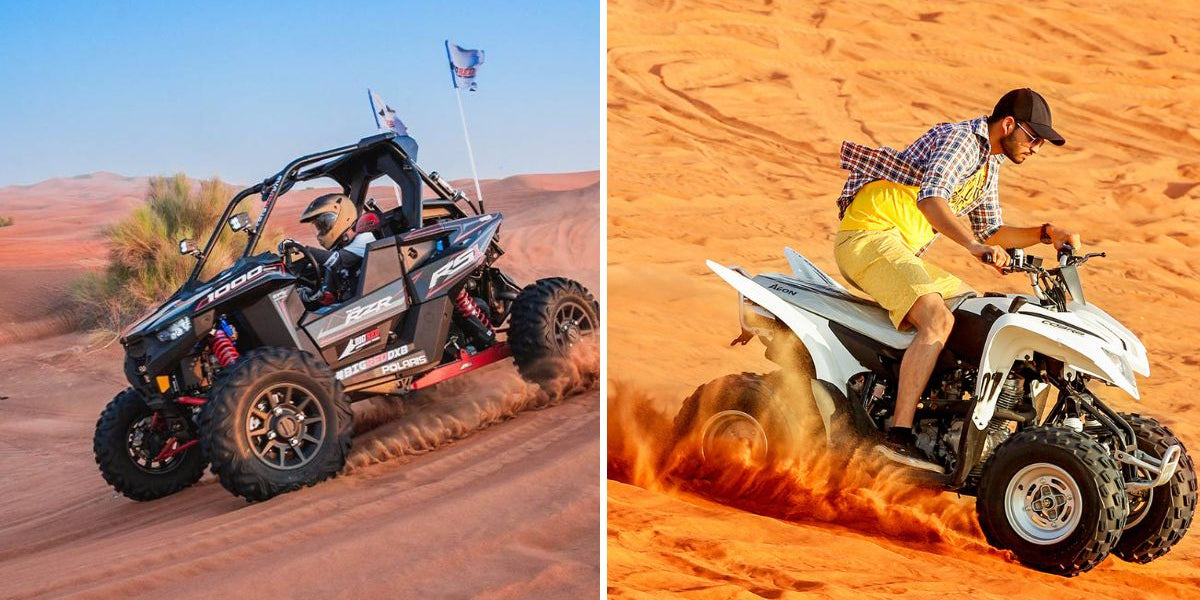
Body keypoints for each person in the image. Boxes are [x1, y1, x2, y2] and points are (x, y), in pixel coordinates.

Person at [833, 88, 1082, 471]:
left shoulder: (988, 165)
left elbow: (992, 231)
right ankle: (897, 436)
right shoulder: (963, 142)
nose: (1036, 148)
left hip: (894, 250)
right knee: (938, 319)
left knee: (977, 314)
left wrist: (1046, 233)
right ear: (1008, 125)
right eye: (1033, 138)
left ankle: (944, 419)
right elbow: (931, 199)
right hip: (869, 236)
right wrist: (970, 246)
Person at [294, 193, 376, 307]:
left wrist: (305, 250)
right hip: (352, 306)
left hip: (373, 300)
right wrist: (315, 295)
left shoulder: (365, 238)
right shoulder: (337, 250)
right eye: (319, 228)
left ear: (342, 216)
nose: (320, 232)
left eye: (323, 225)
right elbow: (330, 297)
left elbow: (338, 262)